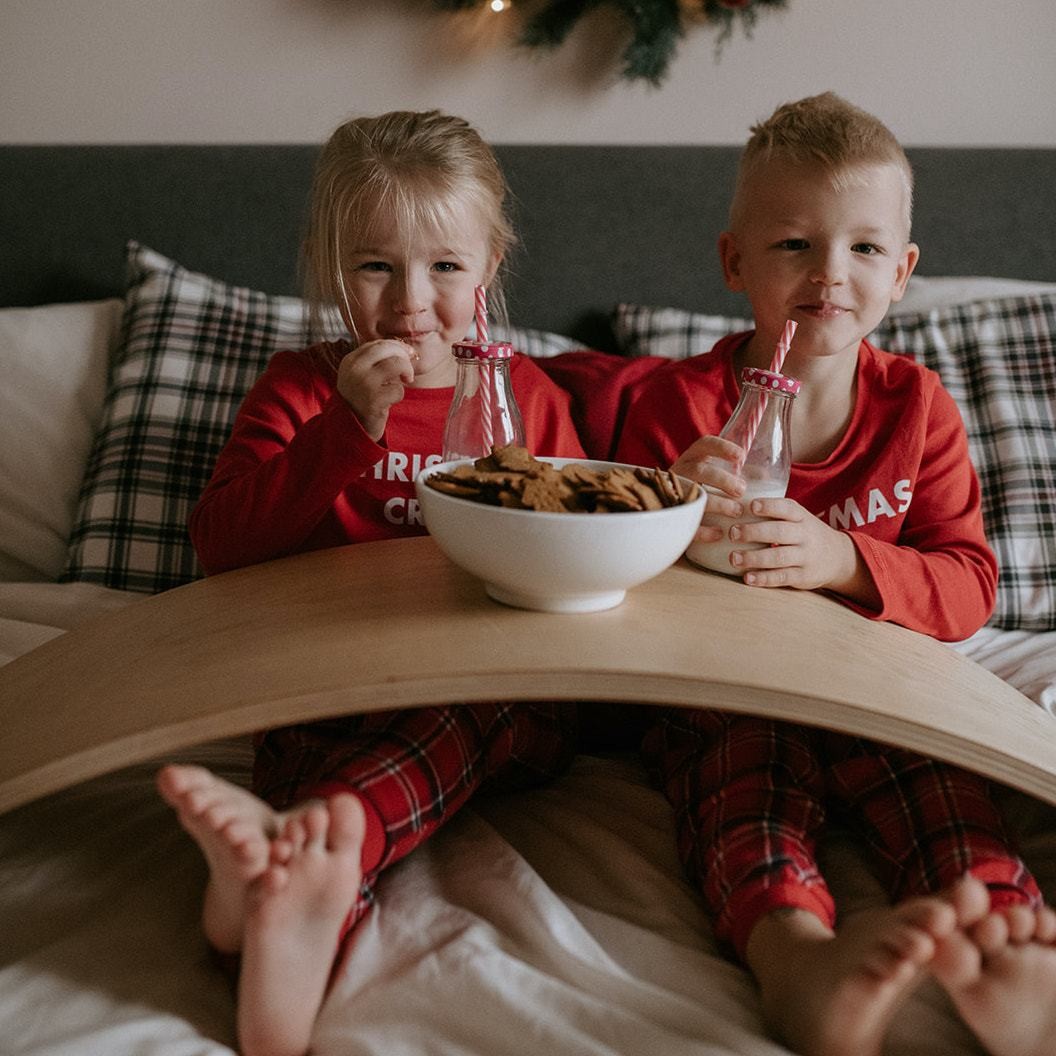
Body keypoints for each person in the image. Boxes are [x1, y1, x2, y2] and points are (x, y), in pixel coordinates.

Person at [615, 92, 1056, 1056]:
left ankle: (1004, 943)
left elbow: (969, 582)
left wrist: (844, 557)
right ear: (735, 261)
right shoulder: (675, 408)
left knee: (939, 787)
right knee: (738, 798)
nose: (829, 277)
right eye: (793, 247)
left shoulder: (917, 409)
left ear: (901, 273)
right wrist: (661, 509)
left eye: (862, 250)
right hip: (730, 693)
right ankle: (798, 963)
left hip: (873, 689)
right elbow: (609, 592)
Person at [157, 109, 585, 1056]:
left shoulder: (528, 400)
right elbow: (221, 545)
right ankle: (277, 903)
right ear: (325, 261)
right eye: (374, 266)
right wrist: (345, 430)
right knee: (302, 726)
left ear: (490, 266)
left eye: (444, 267)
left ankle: (321, 834)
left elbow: (581, 556)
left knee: (458, 716)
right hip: (328, 675)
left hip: (486, 687)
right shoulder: (303, 390)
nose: (410, 304)